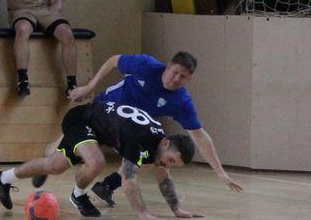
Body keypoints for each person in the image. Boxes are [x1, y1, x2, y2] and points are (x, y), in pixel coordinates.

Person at [66, 51, 242, 211]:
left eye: (183, 77)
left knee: (154, 157)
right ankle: (60, 170)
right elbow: (113, 61)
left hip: (126, 131)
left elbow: (200, 136)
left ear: (189, 80)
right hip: (103, 113)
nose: (176, 79)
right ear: (168, 66)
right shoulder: (146, 65)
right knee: (60, 162)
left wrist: (220, 172)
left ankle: (107, 186)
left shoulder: (181, 102)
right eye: (175, 72)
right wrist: (89, 87)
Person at [0, 101, 197, 220]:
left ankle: (2, 178)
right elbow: (128, 180)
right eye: (170, 160)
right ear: (166, 143)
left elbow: (163, 177)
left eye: (173, 165)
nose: (168, 165)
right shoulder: (141, 139)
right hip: (81, 119)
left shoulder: (159, 145)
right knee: (97, 161)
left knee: (54, 166)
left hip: (96, 129)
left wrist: (176, 208)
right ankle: (78, 196)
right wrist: (144, 214)